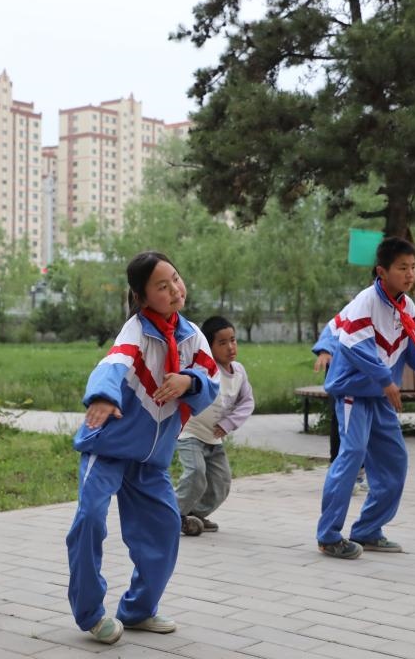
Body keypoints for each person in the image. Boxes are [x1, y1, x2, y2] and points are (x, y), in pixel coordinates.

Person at [65, 251, 220, 644]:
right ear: (141, 296)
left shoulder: (192, 335)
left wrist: (188, 381)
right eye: (162, 286)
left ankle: (138, 609)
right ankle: (90, 614)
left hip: (151, 459)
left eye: (176, 279)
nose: (175, 290)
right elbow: (114, 363)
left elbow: (209, 376)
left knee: (165, 527)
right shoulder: (135, 332)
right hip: (109, 448)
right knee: (90, 520)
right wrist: (103, 396)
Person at [312, 237, 415, 560]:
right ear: (381, 271)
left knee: (394, 461)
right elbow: (353, 346)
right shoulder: (366, 300)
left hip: (381, 396)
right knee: (352, 453)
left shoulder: (407, 306)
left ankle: (368, 530)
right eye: (402, 268)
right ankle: (329, 536)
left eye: (413, 267)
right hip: (354, 393)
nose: (410, 274)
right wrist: (386, 380)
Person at [176, 315, 255, 536]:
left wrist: (229, 423)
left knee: (222, 482)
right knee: (196, 473)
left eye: (233, 340)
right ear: (209, 347)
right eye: (222, 343)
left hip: (214, 438)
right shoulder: (205, 369)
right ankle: (171, 515)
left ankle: (195, 514)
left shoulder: (239, 372)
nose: (230, 347)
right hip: (190, 434)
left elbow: (247, 402)